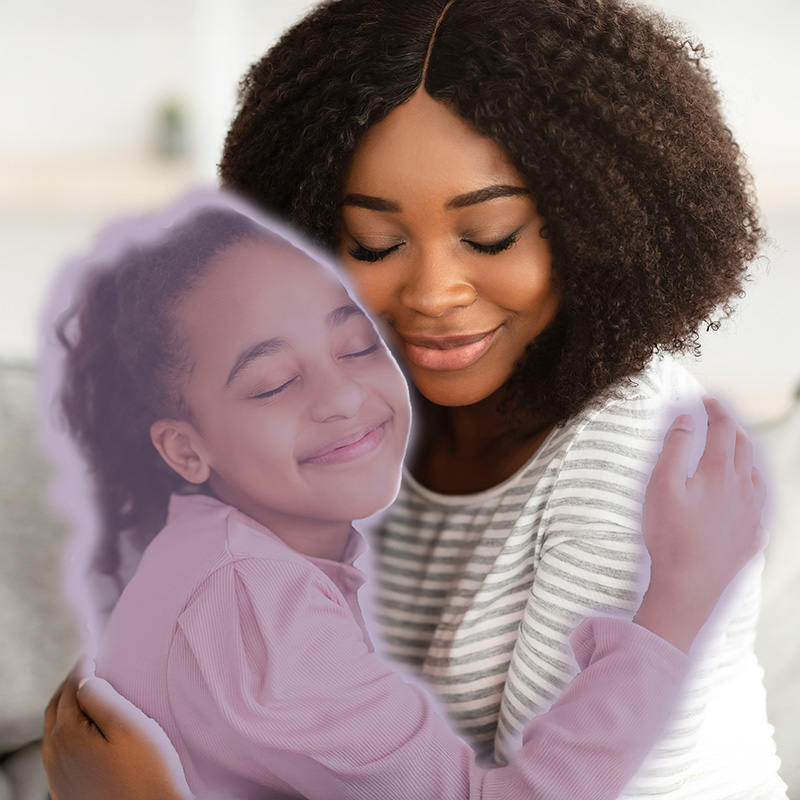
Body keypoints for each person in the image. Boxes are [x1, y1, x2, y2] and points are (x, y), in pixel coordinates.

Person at [43, 0, 788, 797]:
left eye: (491, 235)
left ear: (593, 219)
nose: (432, 294)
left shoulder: (634, 453)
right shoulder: (364, 429)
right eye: (375, 245)